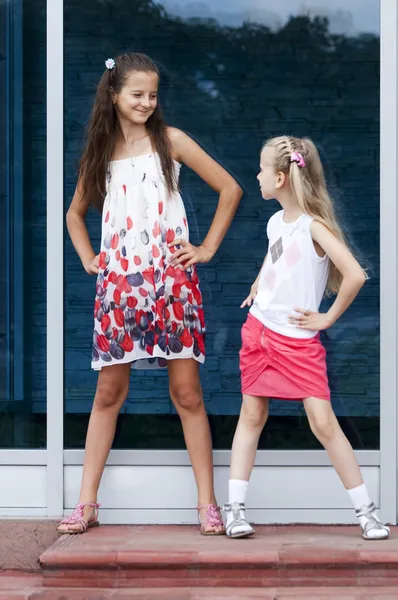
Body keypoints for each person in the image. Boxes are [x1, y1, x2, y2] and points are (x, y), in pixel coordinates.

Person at [57, 52, 242, 535]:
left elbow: (230, 188)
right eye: (136, 93)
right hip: (119, 289)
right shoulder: (100, 151)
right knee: (107, 394)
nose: (146, 102)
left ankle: (208, 505)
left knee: (187, 394)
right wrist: (88, 259)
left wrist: (204, 248)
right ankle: (86, 504)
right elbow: (74, 214)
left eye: (153, 94)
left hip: (170, 285)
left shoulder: (171, 141)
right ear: (114, 94)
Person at [223, 135, 389, 541]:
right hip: (259, 333)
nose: (257, 176)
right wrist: (258, 284)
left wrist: (327, 318)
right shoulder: (275, 221)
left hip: (298, 342)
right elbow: (274, 255)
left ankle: (366, 513)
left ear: (280, 178)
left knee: (323, 422)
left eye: (262, 170)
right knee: (252, 416)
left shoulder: (314, 227)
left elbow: (355, 274)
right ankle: (235, 509)